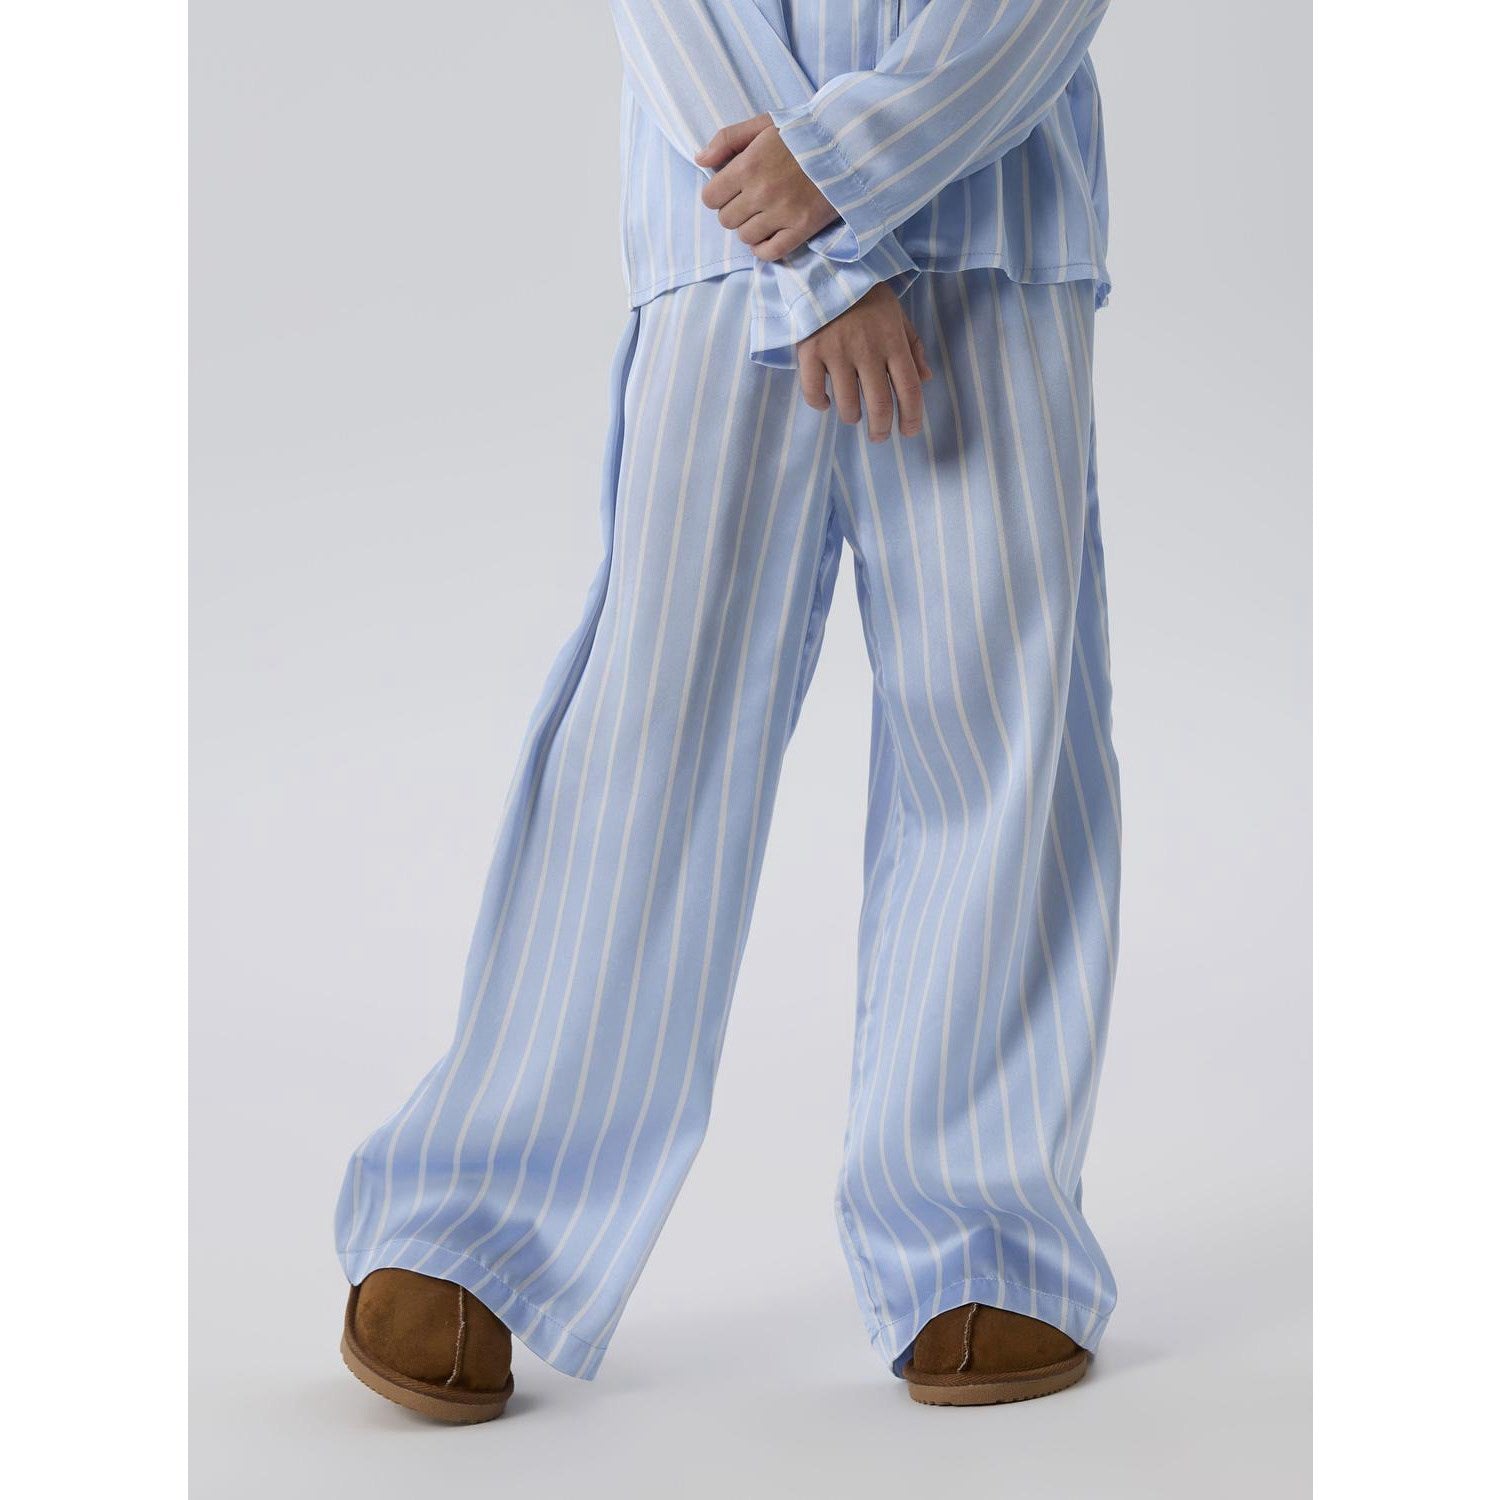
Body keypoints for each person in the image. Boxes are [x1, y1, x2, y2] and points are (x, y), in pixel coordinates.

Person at [336, 0, 1120, 1422]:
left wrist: (846, 166)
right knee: (651, 731)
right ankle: (483, 1215)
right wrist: (813, 229)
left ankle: (984, 1226)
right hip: (724, 233)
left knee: (999, 736)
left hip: (993, 216)